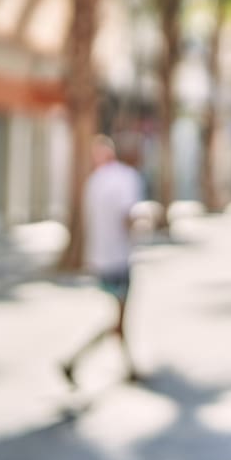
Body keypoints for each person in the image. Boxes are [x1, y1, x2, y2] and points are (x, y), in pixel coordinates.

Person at [62, 134, 144, 386]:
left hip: (101, 261)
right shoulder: (125, 178)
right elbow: (127, 217)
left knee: (117, 317)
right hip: (119, 260)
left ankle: (128, 367)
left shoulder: (93, 182)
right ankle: (73, 360)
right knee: (118, 319)